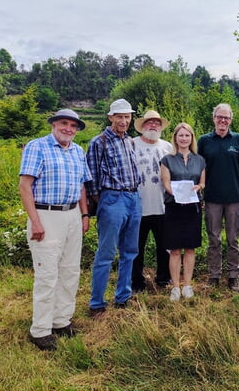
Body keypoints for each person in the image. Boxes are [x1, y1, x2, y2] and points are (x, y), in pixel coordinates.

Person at [19, 109, 92, 350]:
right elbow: (25, 186)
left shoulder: (78, 151)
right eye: (64, 123)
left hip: (71, 214)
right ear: (54, 124)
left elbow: (82, 185)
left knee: (70, 271)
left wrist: (84, 214)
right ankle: (40, 329)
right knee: (47, 273)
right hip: (46, 215)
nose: (68, 129)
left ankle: (62, 320)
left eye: (73, 126)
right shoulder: (37, 147)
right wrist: (36, 221)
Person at [86, 99, 142, 317]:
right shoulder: (98, 142)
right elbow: (91, 180)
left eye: (127, 116)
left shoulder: (130, 141)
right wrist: (106, 202)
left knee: (130, 252)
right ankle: (97, 303)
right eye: (119, 116)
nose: (124, 121)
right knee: (106, 253)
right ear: (110, 117)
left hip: (134, 197)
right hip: (112, 199)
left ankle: (122, 297)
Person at [198, 103, 239, 291]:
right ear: (214, 118)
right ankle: (214, 275)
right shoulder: (204, 141)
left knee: (233, 239)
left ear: (231, 120)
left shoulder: (238, 140)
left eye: (226, 117)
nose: (223, 120)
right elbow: (198, 167)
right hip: (211, 198)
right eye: (220, 117)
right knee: (214, 239)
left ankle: (234, 276)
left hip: (234, 198)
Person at [161, 122, 206, 301]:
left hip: (192, 209)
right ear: (175, 138)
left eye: (187, 135)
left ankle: (187, 285)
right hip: (174, 207)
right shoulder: (167, 160)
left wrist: (197, 187)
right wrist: (178, 193)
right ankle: (175, 287)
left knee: (190, 248)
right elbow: (165, 183)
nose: (184, 138)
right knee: (174, 249)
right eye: (181, 135)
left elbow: (203, 182)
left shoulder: (200, 159)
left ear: (192, 138)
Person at [131, 110, 173, 293]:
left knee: (165, 247)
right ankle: (136, 282)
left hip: (163, 205)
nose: (153, 125)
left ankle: (163, 279)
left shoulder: (168, 147)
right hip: (137, 206)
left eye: (157, 122)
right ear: (142, 126)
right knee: (136, 248)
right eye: (149, 122)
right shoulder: (131, 144)